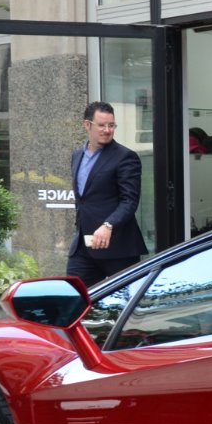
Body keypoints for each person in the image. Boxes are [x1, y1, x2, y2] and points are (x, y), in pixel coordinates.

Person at [66, 101, 148, 287]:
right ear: (87, 125)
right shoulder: (77, 155)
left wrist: (108, 225)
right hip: (83, 247)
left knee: (127, 303)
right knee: (73, 298)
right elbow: (84, 199)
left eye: (111, 125)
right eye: (101, 125)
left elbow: (129, 201)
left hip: (118, 248)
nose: (107, 130)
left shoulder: (125, 157)